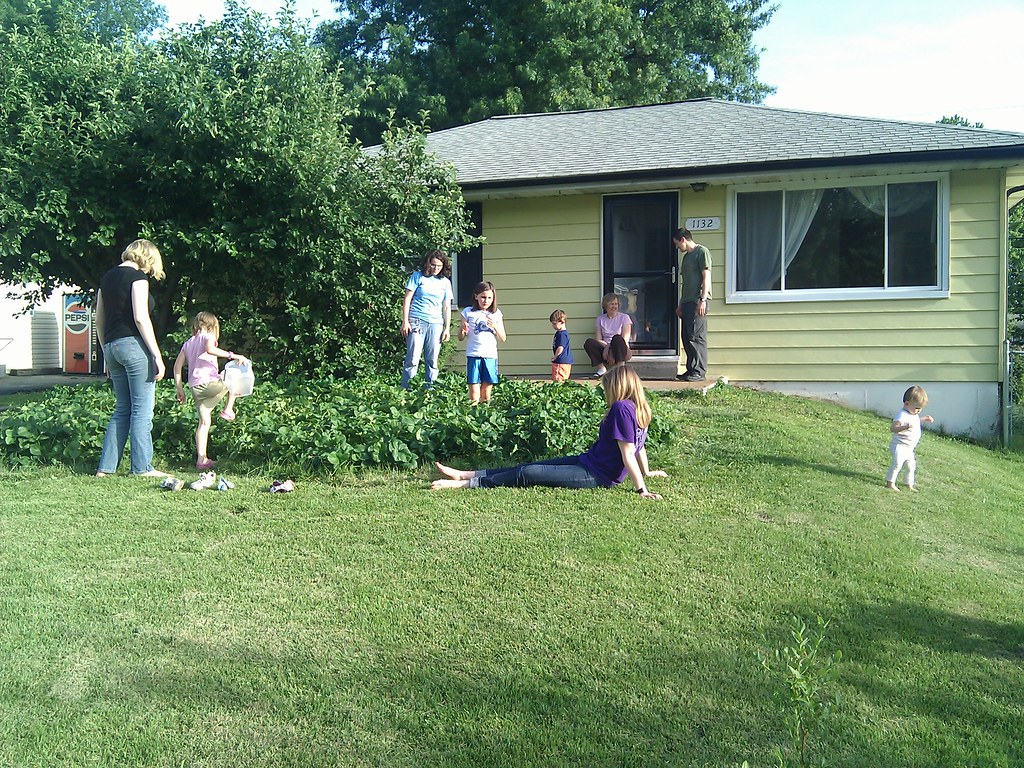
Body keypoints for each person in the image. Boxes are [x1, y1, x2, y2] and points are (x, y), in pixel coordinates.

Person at [432, 365, 667, 498]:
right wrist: (647, 472)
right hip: (587, 461)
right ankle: (467, 474)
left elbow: (629, 452)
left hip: (598, 475)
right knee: (526, 468)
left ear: (618, 387)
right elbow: (640, 445)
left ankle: (466, 484)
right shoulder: (640, 408)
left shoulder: (621, 408)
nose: (605, 392)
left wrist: (641, 489)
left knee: (530, 473)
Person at [95, 239, 169, 478]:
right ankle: (142, 468)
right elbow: (140, 317)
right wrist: (157, 355)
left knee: (122, 408)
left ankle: (105, 468)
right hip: (133, 346)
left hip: (112, 347)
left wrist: (106, 352)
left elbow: (98, 320)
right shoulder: (137, 278)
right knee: (142, 410)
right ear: (146, 258)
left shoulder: (107, 278)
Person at [172, 311, 250, 470]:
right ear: (212, 326)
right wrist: (233, 355)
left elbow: (176, 367)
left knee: (204, 422)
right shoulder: (208, 337)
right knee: (233, 375)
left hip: (195, 388)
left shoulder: (188, 343)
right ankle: (228, 409)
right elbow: (210, 349)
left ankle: (202, 459)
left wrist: (180, 389)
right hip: (208, 383)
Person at [401, 249, 454, 389]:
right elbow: (407, 299)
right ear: (428, 263)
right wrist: (405, 321)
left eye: (439, 266)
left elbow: (447, 306)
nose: (436, 268)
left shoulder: (445, 282)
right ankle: (407, 391)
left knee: (432, 360)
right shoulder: (417, 277)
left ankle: (430, 392)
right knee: (413, 358)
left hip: (436, 324)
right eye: (433, 265)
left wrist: (447, 328)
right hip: (417, 321)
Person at [673, 228, 712, 382]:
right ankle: (691, 370)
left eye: (677, 244)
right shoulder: (686, 257)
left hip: (698, 300)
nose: (678, 248)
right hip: (687, 302)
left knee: (696, 336)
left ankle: (699, 372)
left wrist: (702, 300)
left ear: (683, 239)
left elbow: (706, 277)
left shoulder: (702, 252)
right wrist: (681, 304)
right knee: (687, 336)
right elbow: (686, 283)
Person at [459, 281, 506, 404]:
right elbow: (460, 337)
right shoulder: (468, 312)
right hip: (474, 354)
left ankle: (484, 414)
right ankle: (472, 413)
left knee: (486, 393)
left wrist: (495, 325)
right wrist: (463, 331)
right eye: (483, 297)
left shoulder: (496, 313)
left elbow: (503, 337)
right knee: (474, 392)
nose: (486, 300)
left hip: (490, 355)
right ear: (476, 297)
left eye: (489, 298)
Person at [885, 385, 934, 492]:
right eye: (917, 408)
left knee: (911, 466)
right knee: (897, 464)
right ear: (907, 404)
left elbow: (914, 421)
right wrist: (905, 427)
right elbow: (893, 428)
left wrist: (924, 419)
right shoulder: (901, 415)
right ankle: (890, 482)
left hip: (909, 447)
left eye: (920, 408)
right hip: (900, 445)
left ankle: (909, 483)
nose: (919, 411)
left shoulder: (912, 413)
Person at [583, 293, 633, 377]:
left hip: (621, 349)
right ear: (605, 305)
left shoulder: (624, 317)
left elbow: (625, 339)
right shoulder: (600, 319)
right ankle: (601, 369)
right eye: (611, 304)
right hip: (605, 350)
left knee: (617, 338)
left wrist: (610, 348)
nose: (614, 306)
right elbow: (598, 339)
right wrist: (607, 347)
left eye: (616, 304)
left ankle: (621, 369)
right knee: (589, 342)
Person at [549, 309, 573, 382]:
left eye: (554, 323)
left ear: (562, 322)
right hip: (564, 361)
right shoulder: (561, 333)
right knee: (563, 380)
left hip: (561, 362)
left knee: (558, 380)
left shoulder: (562, 334)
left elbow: (560, 347)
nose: (553, 326)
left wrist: (555, 357)